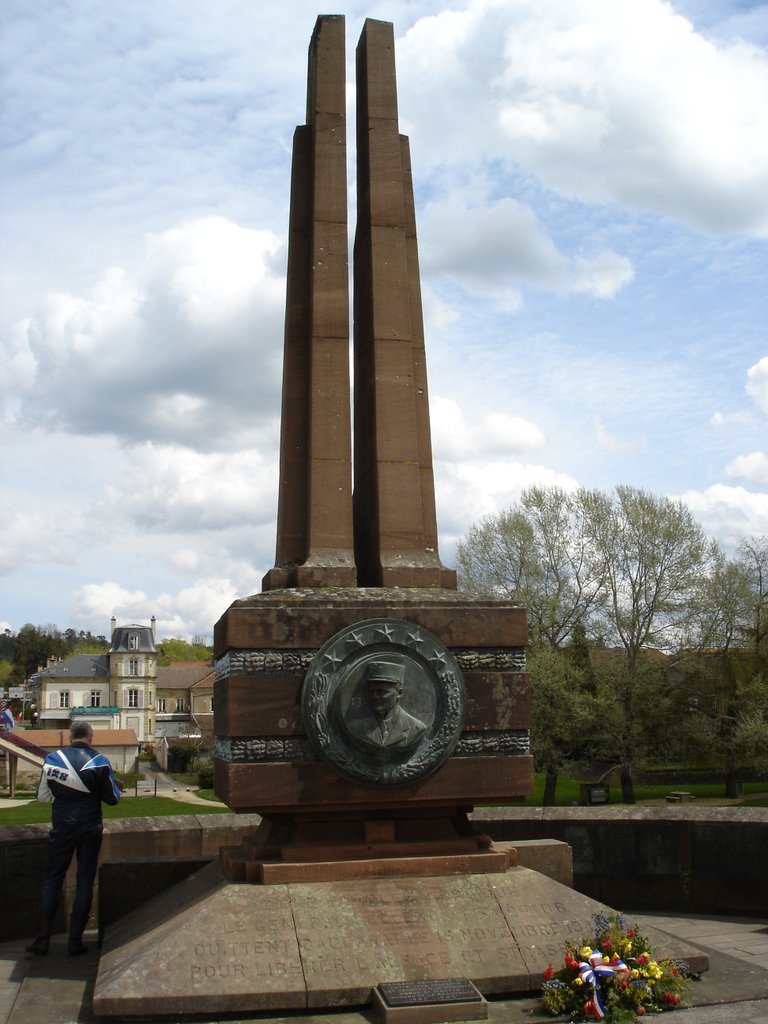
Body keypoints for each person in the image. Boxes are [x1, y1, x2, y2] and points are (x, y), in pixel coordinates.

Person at [27, 721, 122, 956]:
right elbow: (112, 799)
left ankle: (42, 940)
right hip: (89, 828)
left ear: (70, 737)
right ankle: (75, 941)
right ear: (91, 737)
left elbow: (42, 797)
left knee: (52, 880)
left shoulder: (52, 760)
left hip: (62, 827)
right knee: (84, 881)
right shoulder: (99, 761)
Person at [345, 661, 427, 752]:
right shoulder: (356, 728)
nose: (374, 697)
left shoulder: (416, 728)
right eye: (372, 691)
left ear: (399, 693)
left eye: (381, 692)